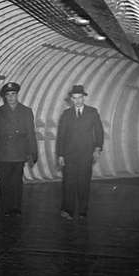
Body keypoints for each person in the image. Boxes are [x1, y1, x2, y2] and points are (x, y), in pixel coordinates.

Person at [0, 82, 38, 216]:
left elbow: (31, 133)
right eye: (8, 95)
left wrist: (33, 152)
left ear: (17, 95)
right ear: (4, 96)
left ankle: (16, 207)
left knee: (17, 181)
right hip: (3, 153)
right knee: (5, 182)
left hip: (19, 152)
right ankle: (6, 208)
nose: (10, 97)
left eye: (13, 94)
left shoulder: (26, 111)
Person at [56, 84, 104, 220]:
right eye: (75, 98)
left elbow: (99, 132)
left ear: (84, 98)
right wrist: (60, 155)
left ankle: (83, 210)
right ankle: (68, 210)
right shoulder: (66, 114)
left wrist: (97, 148)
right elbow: (61, 136)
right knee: (68, 183)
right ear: (71, 99)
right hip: (69, 155)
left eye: (80, 98)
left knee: (84, 183)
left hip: (86, 154)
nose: (77, 101)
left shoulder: (92, 112)